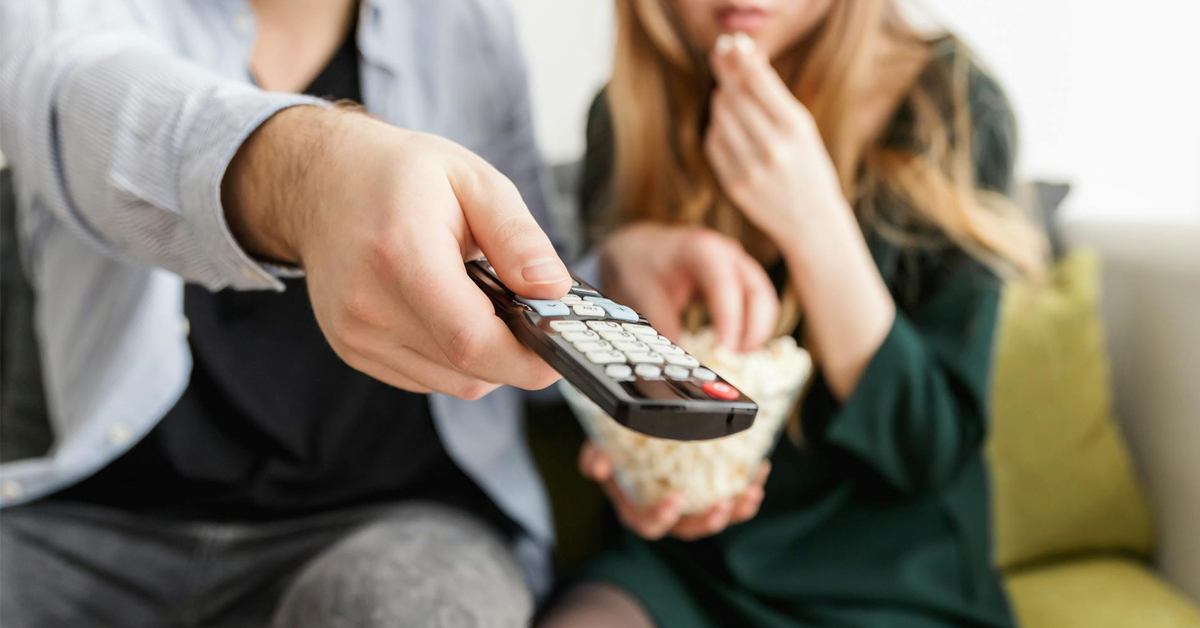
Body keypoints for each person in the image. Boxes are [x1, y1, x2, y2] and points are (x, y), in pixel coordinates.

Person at [1, 0, 608, 625]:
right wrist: (312, 179)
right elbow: (83, 97)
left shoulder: (467, 23)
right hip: (96, 527)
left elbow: (533, 276)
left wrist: (626, 257)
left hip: (400, 525)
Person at [541, 1, 1047, 627]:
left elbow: (929, 451)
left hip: (890, 579)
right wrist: (615, 262)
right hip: (680, 566)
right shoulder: (624, 118)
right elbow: (631, 409)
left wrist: (815, 224)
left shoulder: (952, 105)